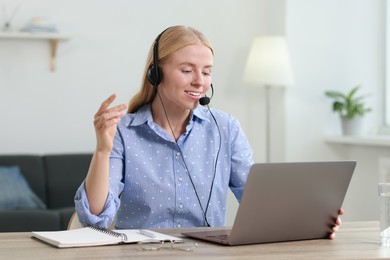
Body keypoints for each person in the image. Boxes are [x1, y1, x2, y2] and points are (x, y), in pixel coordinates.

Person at [74, 25, 343, 238]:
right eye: (187, 70)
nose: (199, 82)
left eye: (206, 72)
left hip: (207, 254)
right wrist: (102, 150)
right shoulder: (124, 132)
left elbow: (258, 199)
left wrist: (312, 220)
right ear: (155, 73)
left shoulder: (225, 128)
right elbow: (94, 218)